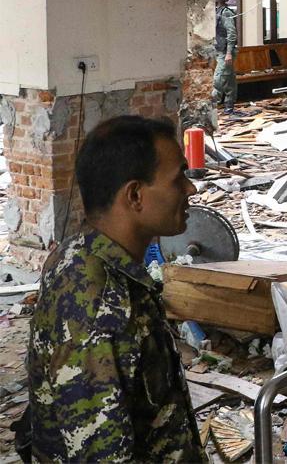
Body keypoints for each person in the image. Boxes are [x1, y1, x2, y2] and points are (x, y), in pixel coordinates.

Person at [22, 116, 202, 462]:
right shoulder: (99, 303)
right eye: (178, 177)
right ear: (135, 195)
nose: (189, 189)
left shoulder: (89, 251)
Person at [211, 0, 238, 114]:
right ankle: (229, 106)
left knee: (218, 79)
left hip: (226, 52)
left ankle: (210, 109)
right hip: (220, 51)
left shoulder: (226, 12)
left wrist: (228, 53)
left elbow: (231, 33)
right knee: (229, 79)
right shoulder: (217, 11)